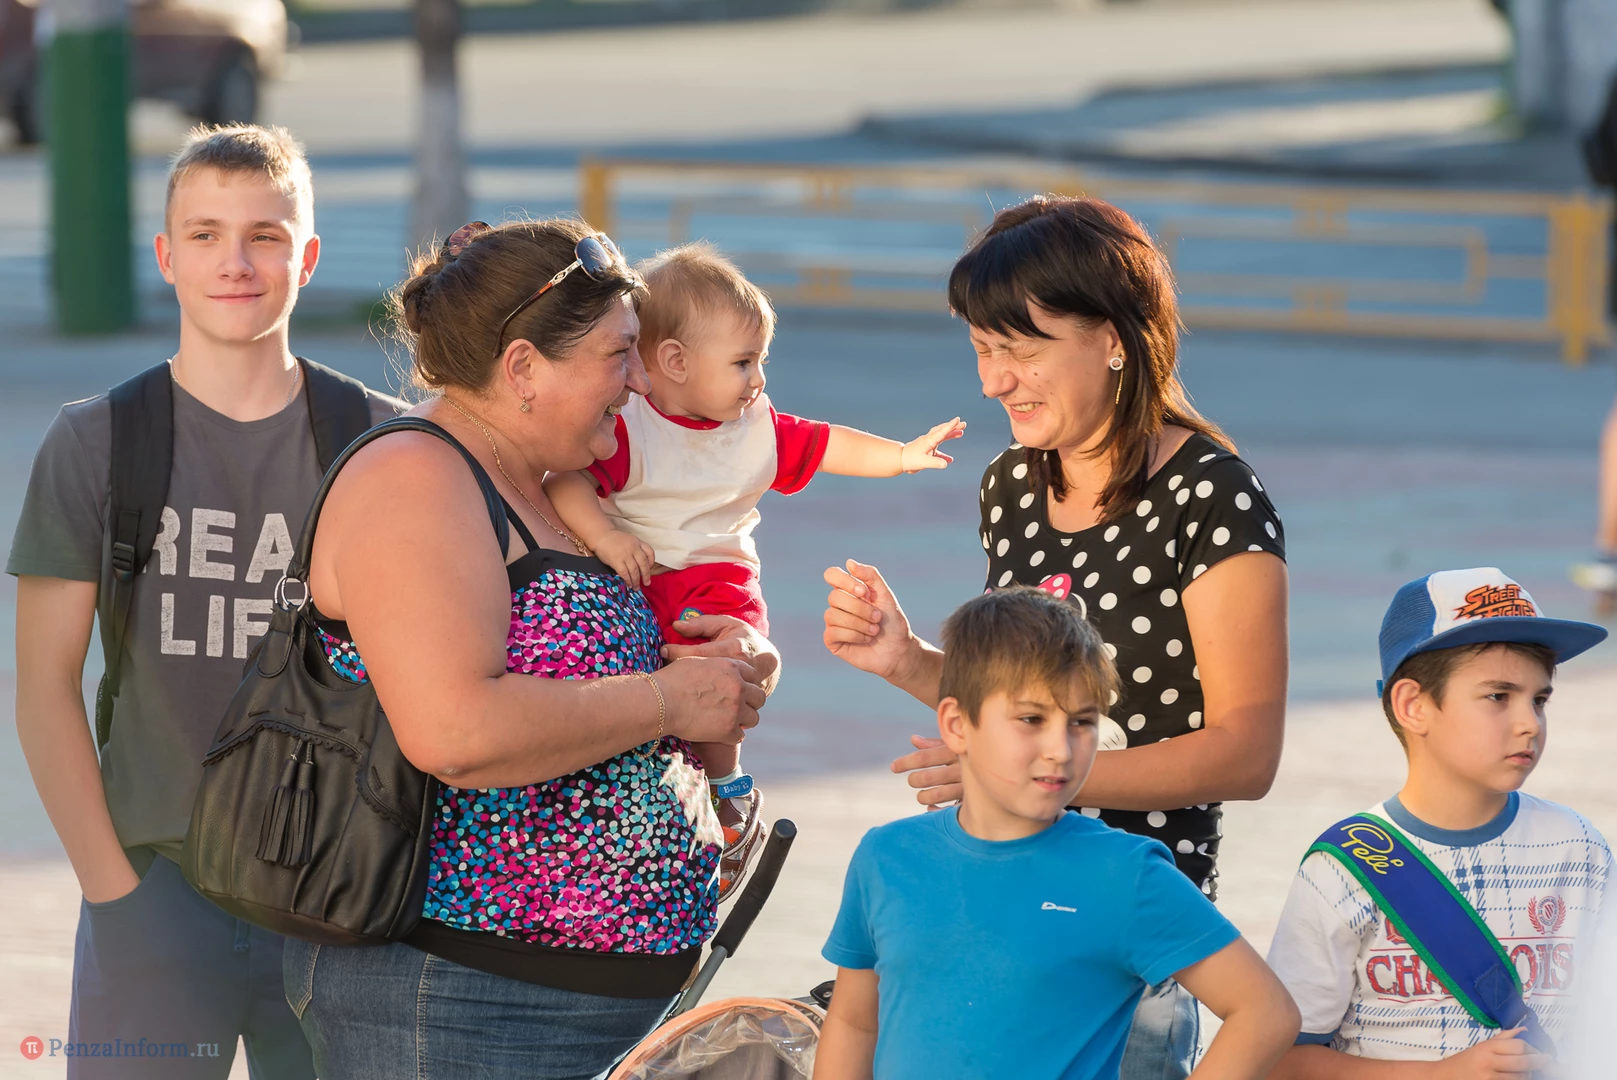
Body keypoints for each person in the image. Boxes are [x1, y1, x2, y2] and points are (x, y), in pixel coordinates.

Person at [279, 218, 780, 1080]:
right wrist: (670, 700)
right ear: (521, 369)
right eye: (619, 355)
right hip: (461, 1003)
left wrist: (717, 663)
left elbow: (586, 684)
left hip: (571, 1003)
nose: (639, 382)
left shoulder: (545, 484)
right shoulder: (416, 478)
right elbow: (454, 731)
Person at [819, 195, 1288, 1078]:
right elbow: (1024, 701)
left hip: (1124, 952)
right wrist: (907, 660)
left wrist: (1034, 776)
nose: (994, 382)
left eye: (1022, 351)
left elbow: (1245, 754)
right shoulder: (1011, 484)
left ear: (1112, 339)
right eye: (982, 350)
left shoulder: (1212, 496)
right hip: (985, 917)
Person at [9, 125, 399, 1078]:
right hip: (156, 889)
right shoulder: (96, 440)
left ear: (307, 258)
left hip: (337, 901)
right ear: (165, 256)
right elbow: (45, 686)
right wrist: (112, 891)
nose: (236, 263)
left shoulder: (383, 444)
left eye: (265, 236)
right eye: (206, 235)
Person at [543, 242, 964, 888]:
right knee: (641, 696)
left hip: (718, 584)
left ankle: (726, 789)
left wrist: (902, 456)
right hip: (636, 571)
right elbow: (567, 482)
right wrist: (603, 536)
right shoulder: (630, 425)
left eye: (760, 360)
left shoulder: (754, 427)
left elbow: (826, 443)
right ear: (675, 362)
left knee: (721, 677)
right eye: (743, 362)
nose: (758, 379)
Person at [812, 587, 1300, 1080]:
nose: (1061, 750)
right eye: (1031, 719)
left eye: (1082, 722)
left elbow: (1264, 1011)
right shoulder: (886, 857)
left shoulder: (1126, 873)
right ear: (957, 725)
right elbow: (855, 1023)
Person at [1265, 567, 1610, 1077]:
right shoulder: (1343, 866)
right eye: (1498, 696)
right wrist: (1438, 1073)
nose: (1529, 723)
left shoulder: (1579, 848)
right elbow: (1282, 1059)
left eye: (1539, 700)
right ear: (1413, 706)